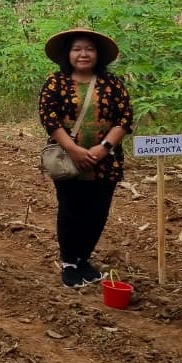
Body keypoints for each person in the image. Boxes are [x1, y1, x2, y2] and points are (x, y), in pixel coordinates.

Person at [38, 29, 133, 288]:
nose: (83, 54)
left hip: (106, 161)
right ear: (68, 54)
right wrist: (74, 149)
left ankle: (83, 259)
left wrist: (104, 148)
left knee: (97, 212)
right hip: (68, 160)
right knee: (71, 210)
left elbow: (124, 119)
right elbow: (49, 119)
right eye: (77, 49)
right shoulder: (56, 83)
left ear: (98, 54)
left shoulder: (112, 84)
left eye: (89, 49)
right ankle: (69, 263)